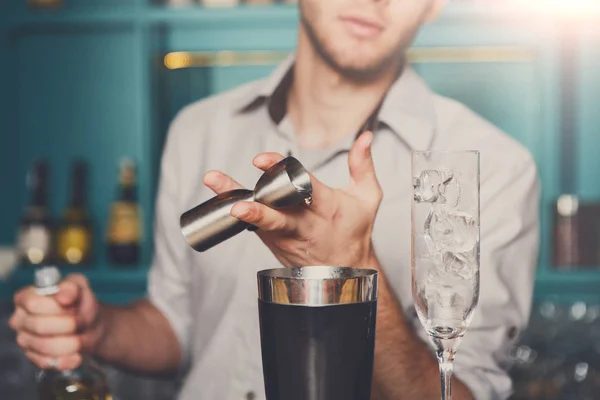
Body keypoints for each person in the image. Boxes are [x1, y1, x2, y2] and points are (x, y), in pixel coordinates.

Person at [9, 0, 540, 399]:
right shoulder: (199, 129)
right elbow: (178, 327)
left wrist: (350, 268)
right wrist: (101, 328)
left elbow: (464, 390)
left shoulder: (491, 168)